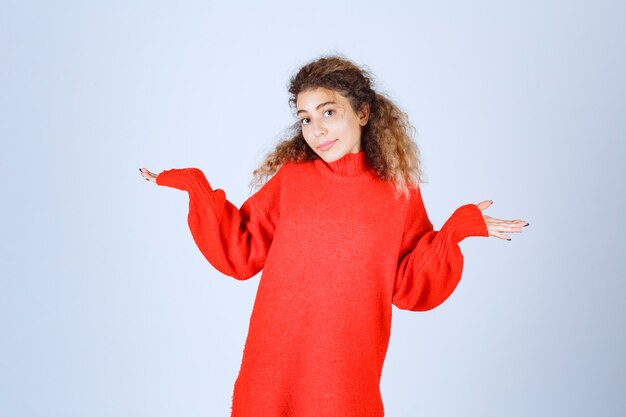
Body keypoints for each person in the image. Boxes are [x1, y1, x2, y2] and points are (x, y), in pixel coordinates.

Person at [139, 54, 528, 417]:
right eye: (305, 118)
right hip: (273, 365)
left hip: (345, 371)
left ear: (362, 113)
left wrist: (454, 232)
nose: (317, 129)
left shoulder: (398, 191)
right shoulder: (292, 179)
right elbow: (241, 249)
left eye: (328, 112)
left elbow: (410, 282)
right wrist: (196, 189)